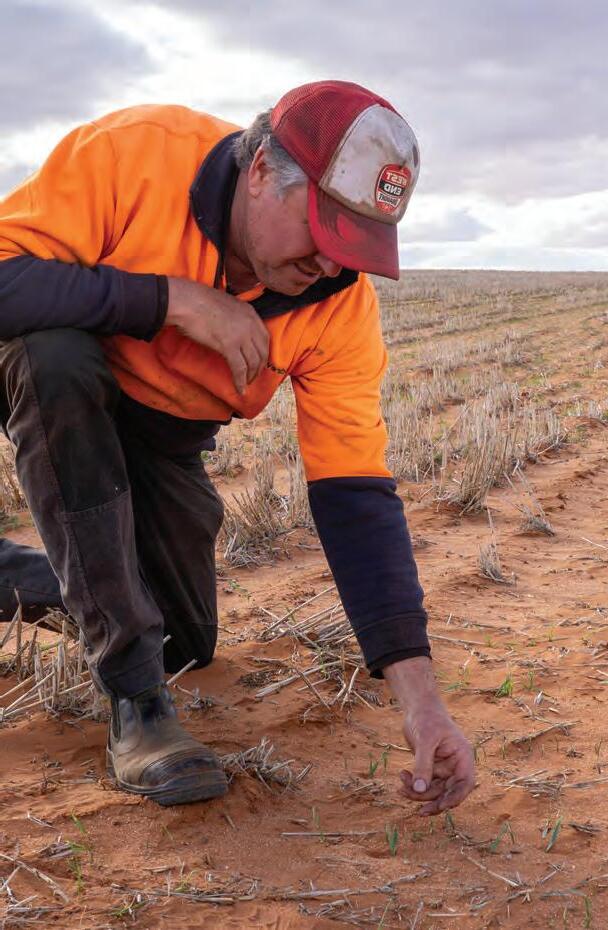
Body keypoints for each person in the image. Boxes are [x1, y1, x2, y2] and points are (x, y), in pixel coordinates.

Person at [0, 80, 475, 812]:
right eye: (323, 229)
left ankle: (30, 582)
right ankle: (137, 706)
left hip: (166, 439)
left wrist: (422, 702)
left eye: (355, 244)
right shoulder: (137, 154)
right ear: (260, 171)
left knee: (185, 642)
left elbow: (355, 497)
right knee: (53, 355)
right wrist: (171, 300)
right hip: (63, 393)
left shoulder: (340, 308)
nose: (331, 264)